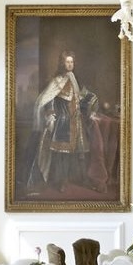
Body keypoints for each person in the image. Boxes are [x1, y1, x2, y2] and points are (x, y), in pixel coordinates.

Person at [33, 51, 93, 190]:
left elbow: (79, 99)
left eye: (72, 62)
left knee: (81, 152)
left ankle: (83, 179)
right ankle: (62, 182)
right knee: (62, 154)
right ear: (62, 63)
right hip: (63, 122)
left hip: (77, 121)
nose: (70, 64)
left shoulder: (74, 79)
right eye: (67, 62)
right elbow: (49, 100)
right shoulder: (57, 81)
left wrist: (91, 105)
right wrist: (51, 116)